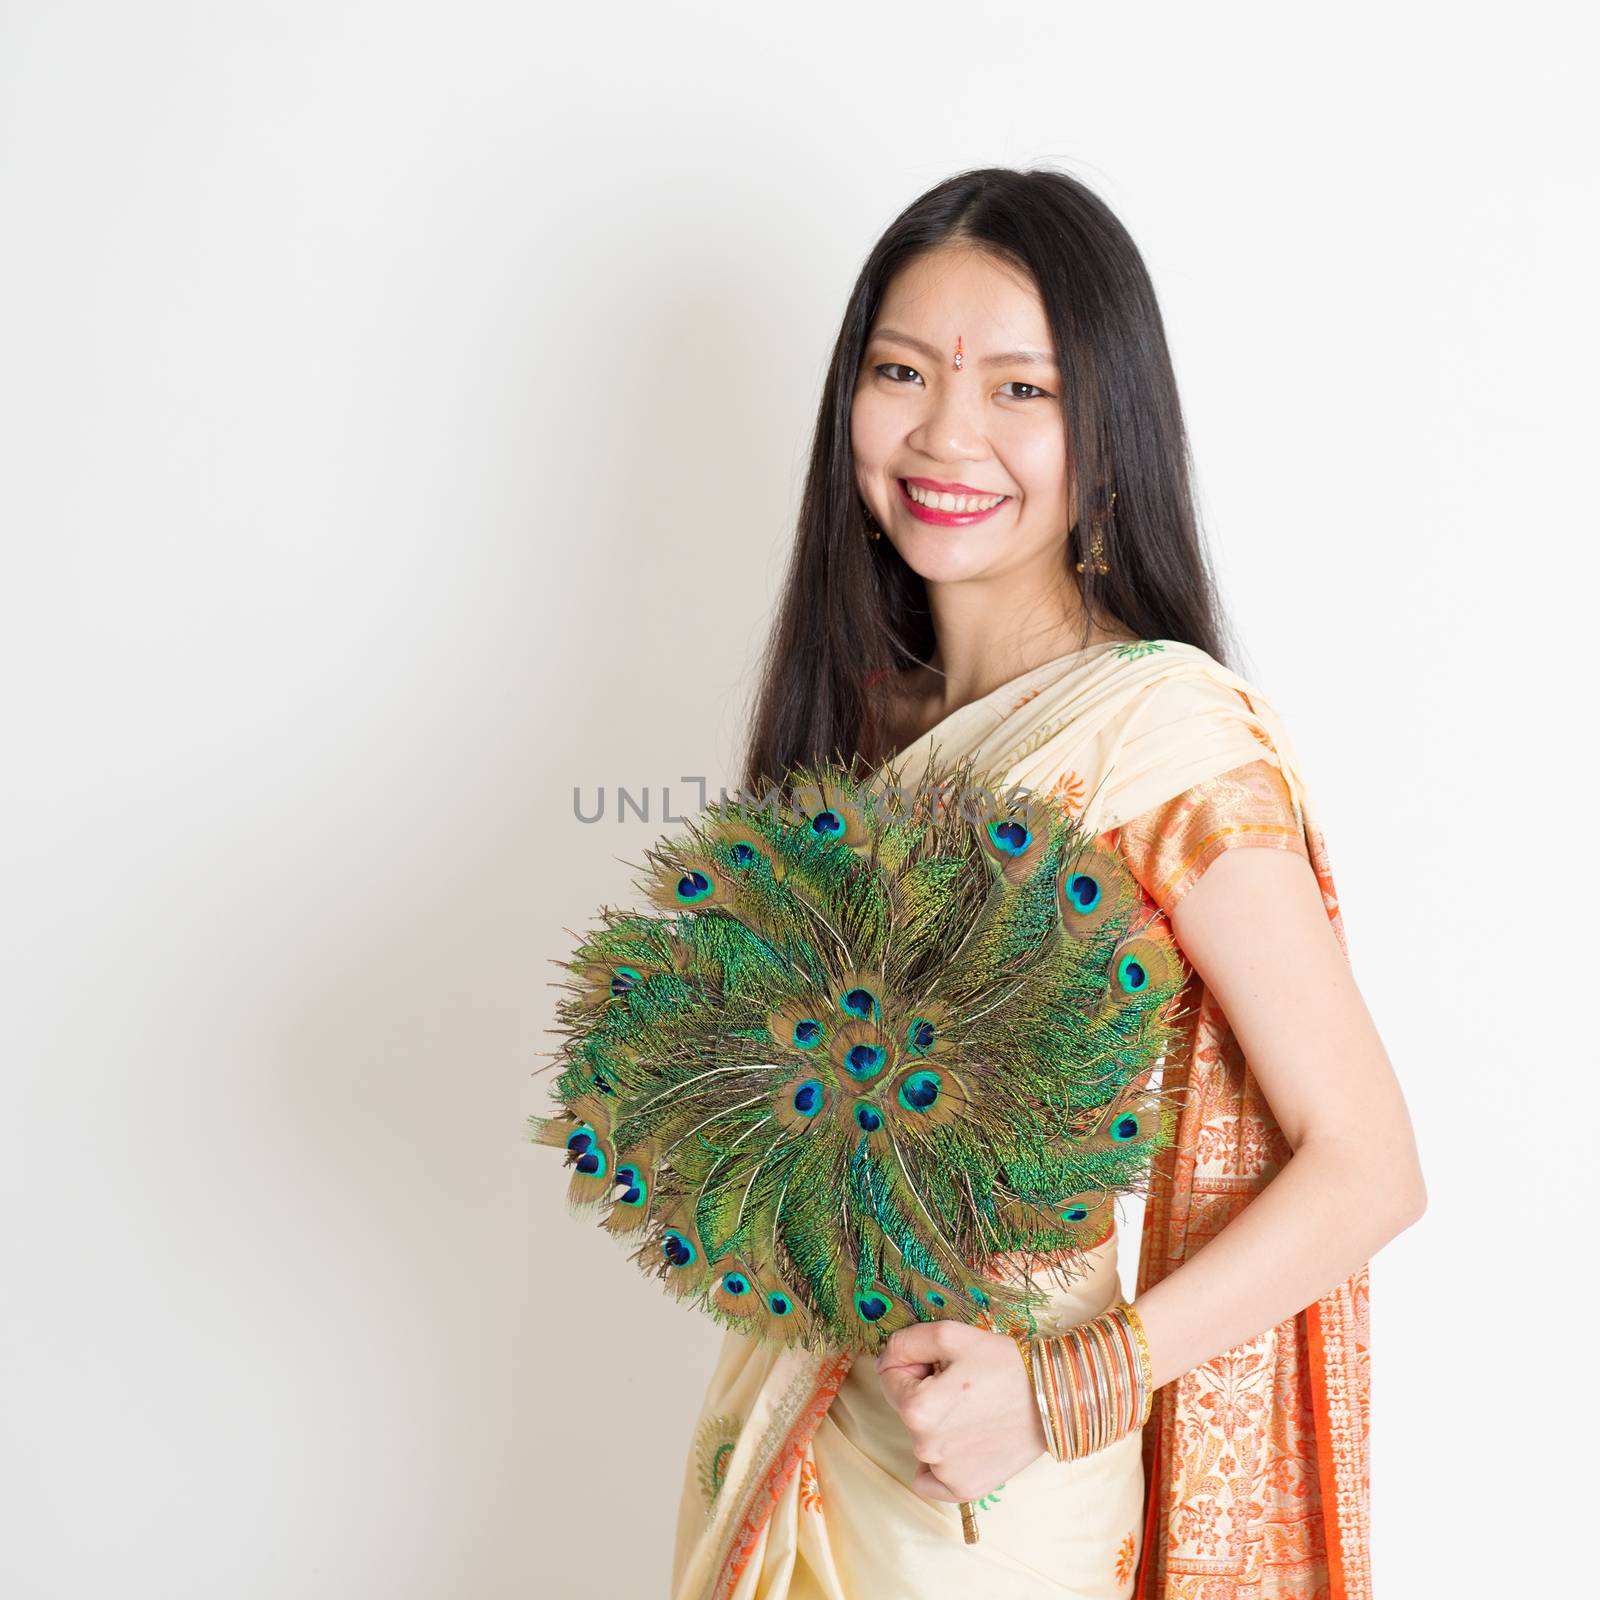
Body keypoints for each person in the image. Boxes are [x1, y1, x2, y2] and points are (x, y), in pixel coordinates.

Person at [669, 166, 1425, 1600]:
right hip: (809, 1437)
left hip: (995, 1491)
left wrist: (1064, 1391)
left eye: (1024, 389)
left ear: (1111, 430)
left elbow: (1370, 1162)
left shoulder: (1161, 732)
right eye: (903, 372)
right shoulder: (860, 734)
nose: (949, 432)